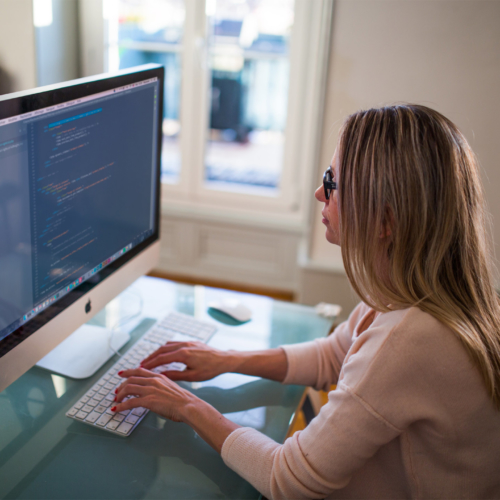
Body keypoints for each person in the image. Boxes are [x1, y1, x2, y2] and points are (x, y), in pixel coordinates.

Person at [113, 104, 500, 499]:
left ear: (385, 222)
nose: (320, 193)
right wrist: (226, 359)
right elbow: (335, 355)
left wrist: (188, 407)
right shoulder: (415, 292)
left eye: (332, 183)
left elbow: (289, 479)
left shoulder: (412, 339)